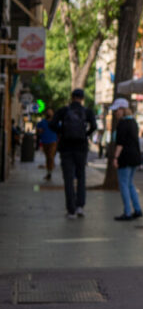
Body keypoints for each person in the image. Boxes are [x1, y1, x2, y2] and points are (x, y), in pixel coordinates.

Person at [53, 88, 97, 219]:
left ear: (71, 97)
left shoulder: (63, 111)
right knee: (81, 176)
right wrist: (85, 135)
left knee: (68, 179)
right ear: (82, 98)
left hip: (66, 148)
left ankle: (70, 209)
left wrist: (62, 132)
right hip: (81, 148)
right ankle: (80, 206)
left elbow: (52, 124)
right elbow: (94, 126)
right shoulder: (87, 111)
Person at [110, 98, 143, 221]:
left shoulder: (122, 124)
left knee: (124, 184)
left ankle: (128, 212)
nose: (115, 113)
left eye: (117, 110)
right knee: (130, 184)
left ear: (122, 110)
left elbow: (120, 143)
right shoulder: (133, 122)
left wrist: (115, 157)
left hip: (125, 157)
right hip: (135, 157)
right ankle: (137, 209)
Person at [35, 109, 58, 181]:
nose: (49, 113)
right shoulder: (43, 122)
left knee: (50, 157)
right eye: (48, 112)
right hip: (45, 141)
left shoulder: (55, 122)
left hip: (53, 141)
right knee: (48, 157)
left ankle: (50, 172)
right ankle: (48, 172)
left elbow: (60, 129)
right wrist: (39, 130)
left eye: (50, 112)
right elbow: (37, 128)